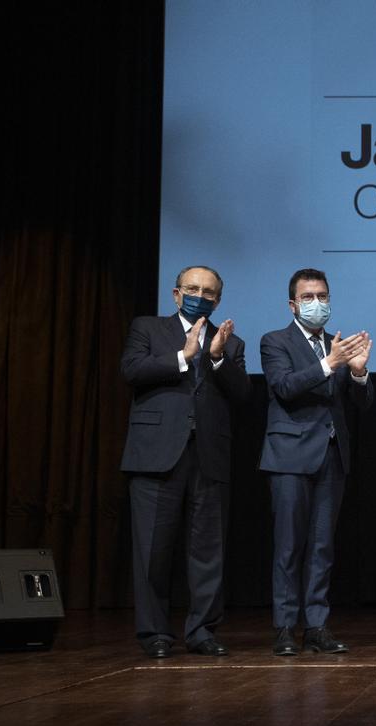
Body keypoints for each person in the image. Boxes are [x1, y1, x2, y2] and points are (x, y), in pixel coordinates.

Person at [120, 265, 249, 659]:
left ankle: (202, 631)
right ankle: (155, 633)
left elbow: (242, 394)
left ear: (218, 300)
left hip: (208, 455)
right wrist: (183, 356)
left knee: (208, 550)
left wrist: (214, 360)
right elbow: (131, 370)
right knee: (152, 551)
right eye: (192, 289)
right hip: (157, 452)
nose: (200, 296)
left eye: (208, 292)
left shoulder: (231, 342)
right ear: (176, 294)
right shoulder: (148, 328)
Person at [259, 268, 373, 656]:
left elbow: (361, 403)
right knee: (289, 546)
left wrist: (358, 374)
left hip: (331, 455)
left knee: (322, 547)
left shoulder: (336, 344)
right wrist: (329, 364)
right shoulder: (275, 341)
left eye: (322, 296)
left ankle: (317, 627)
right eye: (308, 297)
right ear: (293, 304)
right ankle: (285, 629)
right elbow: (284, 387)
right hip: (290, 457)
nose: (317, 304)